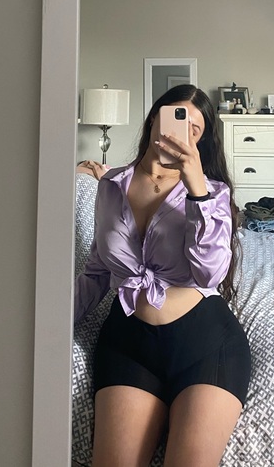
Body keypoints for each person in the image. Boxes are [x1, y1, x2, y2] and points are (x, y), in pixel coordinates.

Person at [74, 85, 251, 466]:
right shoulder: (110, 185)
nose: (181, 132)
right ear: (155, 117)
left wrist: (196, 188)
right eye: (176, 118)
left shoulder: (213, 194)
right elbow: (98, 270)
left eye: (194, 130)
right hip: (129, 344)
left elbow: (209, 274)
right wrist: (47, 327)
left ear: (200, 142)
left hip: (206, 346)